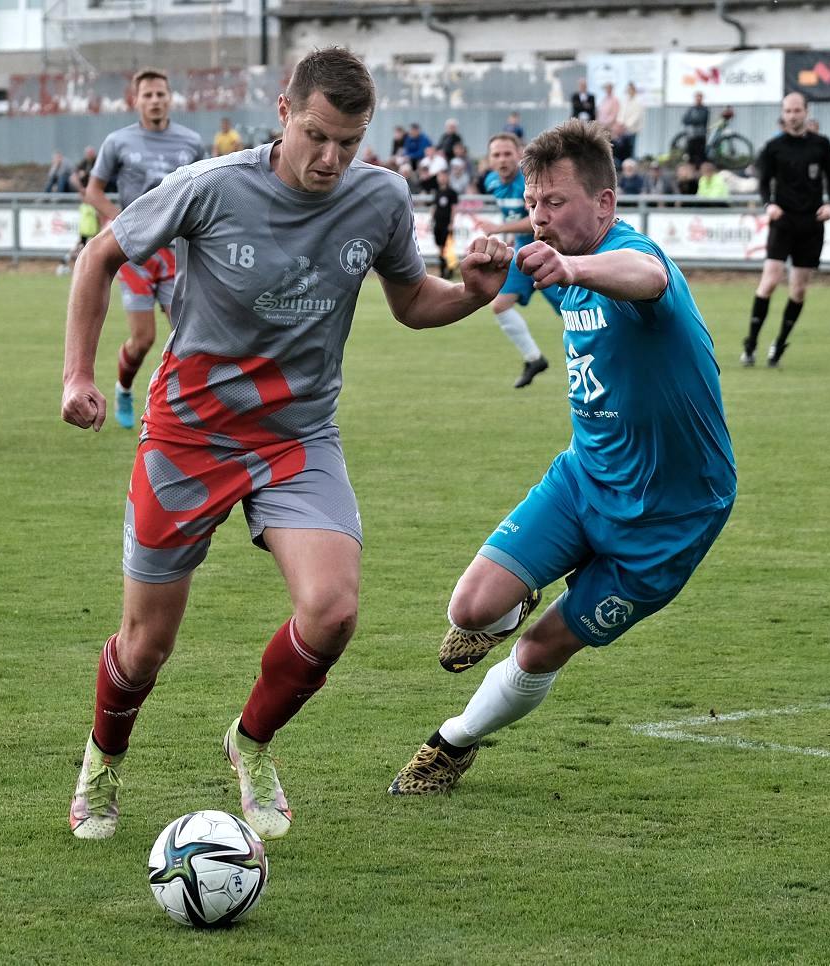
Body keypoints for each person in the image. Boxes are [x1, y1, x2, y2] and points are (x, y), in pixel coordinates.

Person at [61, 46, 516, 843]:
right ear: (283, 113)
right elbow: (100, 255)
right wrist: (77, 375)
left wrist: (473, 294)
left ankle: (251, 742)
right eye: (317, 136)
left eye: (350, 141)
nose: (331, 158)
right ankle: (103, 758)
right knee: (146, 646)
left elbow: (413, 300)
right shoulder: (211, 186)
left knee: (333, 612)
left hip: (298, 435)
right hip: (190, 435)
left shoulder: (380, 197)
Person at [388, 119, 736, 797]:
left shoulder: (628, 257)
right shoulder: (554, 258)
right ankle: (515, 600)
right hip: (585, 477)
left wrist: (573, 268)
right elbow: (481, 295)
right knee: (469, 610)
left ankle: (453, 743)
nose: (539, 218)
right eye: (532, 203)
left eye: (555, 202)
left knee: (541, 648)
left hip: (671, 517)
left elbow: (645, 275)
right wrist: (481, 281)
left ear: (605, 203)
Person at [84, 67, 206, 431]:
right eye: (148, 95)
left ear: (170, 99)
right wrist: (121, 221)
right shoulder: (118, 141)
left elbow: (206, 191)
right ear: (135, 100)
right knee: (143, 339)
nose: (155, 101)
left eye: (160, 94)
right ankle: (124, 388)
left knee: (187, 334)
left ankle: (178, 406)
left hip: (176, 255)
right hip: (136, 256)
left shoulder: (191, 143)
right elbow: (93, 191)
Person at [742, 92, 830, 369]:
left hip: (811, 223)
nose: (792, 115)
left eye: (797, 110)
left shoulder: (821, 145)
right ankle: (751, 343)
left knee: (798, 290)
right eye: (788, 111)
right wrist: (768, 204)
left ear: (806, 111)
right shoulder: (774, 147)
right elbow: (763, 182)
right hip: (783, 221)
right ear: (783, 114)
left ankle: (779, 345)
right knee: (770, 281)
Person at [476, 131, 563, 388]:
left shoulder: (530, 181)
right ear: (490, 159)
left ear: (519, 155)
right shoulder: (492, 181)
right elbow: (516, 216)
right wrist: (512, 238)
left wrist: (499, 229)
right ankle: (534, 359)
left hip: (547, 251)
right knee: (500, 305)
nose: (502, 159)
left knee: (574, 310)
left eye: (507, 154)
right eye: (496, 155)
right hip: (524, 252)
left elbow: (538, 221)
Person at [430, 169, 459, 279]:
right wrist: (431, 219)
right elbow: (434, 206)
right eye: (440, 176)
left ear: (447, 177)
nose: (441, 178)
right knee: (440, 247)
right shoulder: (437, 192)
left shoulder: (451, 192)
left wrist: (451, 223)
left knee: (447, 247)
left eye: (443, 176)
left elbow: (454, 208)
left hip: (446, 224)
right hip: (438, 223)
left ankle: (449, 270)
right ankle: (443, 269)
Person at [614, 82, 644, 163]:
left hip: (632, 130)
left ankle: (631, 164)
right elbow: (621, 113)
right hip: (623, 130)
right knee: (622, 149)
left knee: (632, 149)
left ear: (634, 90)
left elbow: (636, 116)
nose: (629, 91)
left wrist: (626, 125)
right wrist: (620, 123)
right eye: (628, 90)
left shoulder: (638, 101)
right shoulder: (625, 100)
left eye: (630, 90)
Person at [682, 91, 709, 167]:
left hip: (701, 136)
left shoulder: (705, 109)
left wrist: (693, 120)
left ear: (702, 99)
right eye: (697, 98)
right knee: (690, 155)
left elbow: (702, 120)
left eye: (700, 98)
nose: (698, 99)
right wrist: (694, 120)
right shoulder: (691, 109)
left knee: (701, 155)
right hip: (691, 135)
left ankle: (700, 169)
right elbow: (685, 120)